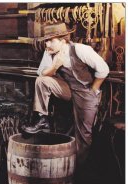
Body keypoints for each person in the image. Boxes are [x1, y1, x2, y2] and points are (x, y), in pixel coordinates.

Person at [22, 23, 109, 166]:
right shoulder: (49, 52)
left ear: (63, 40)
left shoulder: (81, 50)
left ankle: (77, 169)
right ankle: (42, 119)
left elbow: (103, 70)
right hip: (67, 89)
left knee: (84, 134)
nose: (47, 44)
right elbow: (42, 74)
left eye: (51, 40)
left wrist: (93, 90)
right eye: (46, 40)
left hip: (85, 91)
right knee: (41, 81)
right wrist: (55, 66)